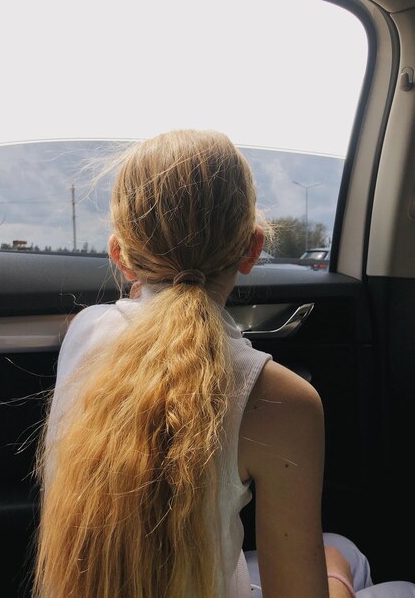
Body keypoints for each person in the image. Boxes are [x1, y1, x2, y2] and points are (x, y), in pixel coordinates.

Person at [33, 130, 415, 598]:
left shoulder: (85, 332)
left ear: (121, 256)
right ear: (253, 249)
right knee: (368, 570)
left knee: (338, 550)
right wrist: (336, 582)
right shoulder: (282, 400)